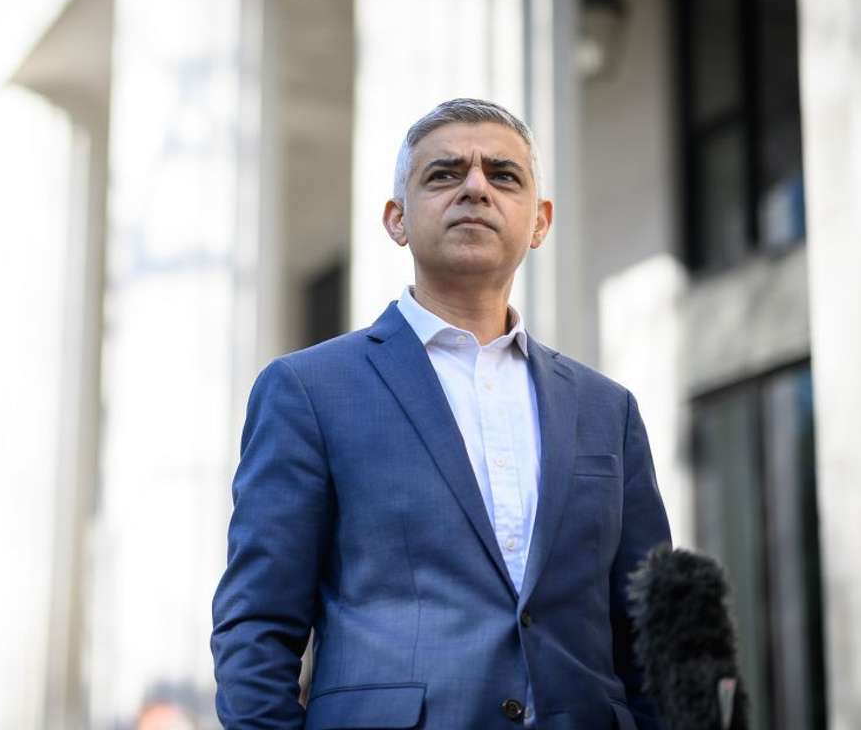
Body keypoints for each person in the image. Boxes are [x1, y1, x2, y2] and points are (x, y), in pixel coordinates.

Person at [211, 98, 672, 729]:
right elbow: (257, 628)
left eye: (503, 175)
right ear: (397, 219)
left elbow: (650, 638)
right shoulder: (308, 391)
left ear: (540, 222)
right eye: (444, 174)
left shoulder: (607, 410)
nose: (476, 188)